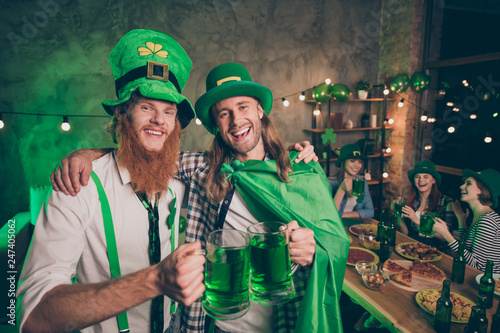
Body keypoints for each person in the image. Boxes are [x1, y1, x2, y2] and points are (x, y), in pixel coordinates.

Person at [52, 63, 349, 332]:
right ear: (216, 126)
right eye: (224, 113)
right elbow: (145, 153)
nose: (236, 120)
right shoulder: (203, 169)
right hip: (216, 323)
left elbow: (333, 244)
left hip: (285, 320)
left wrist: (311, 253)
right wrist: (86, 155)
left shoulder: (299, 170)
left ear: (260, 111)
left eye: (243, 107)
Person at [16, 29, 207, 333]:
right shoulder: (77, 185)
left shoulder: (183, 178)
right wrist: (155, 280)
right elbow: (35, 317)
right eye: (146, 107)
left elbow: (242, 166)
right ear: (122, 113)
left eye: (168, 111)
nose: (159, 120)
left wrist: (288, 155)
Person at [434, 168, 500, 273]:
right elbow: (466, 248)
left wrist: (446, 234)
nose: (461, 186)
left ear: (482, 190)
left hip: (483, 284)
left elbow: (477, 266)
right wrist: (461, 221)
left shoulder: (488, 221)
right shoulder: (480, 216)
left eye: (468, 183)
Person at [399, 160, 456, 249]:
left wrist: (417, 221)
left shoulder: (446, 202)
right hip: (412, 248)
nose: (421, 180)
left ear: (433, 180)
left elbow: (445, 238)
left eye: (425, 176)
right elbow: (406, 234)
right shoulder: (412, 201)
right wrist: (398, 214)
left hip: (435, 252)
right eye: (417, 177)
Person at [329, 143, 374, 219]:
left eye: (360, 162)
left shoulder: (361, 181)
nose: (357, 165)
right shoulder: (330, 182)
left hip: (354, 225)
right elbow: (331, 215)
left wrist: (342, 215)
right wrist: (341, 189)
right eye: (352, 161)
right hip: (335, 226)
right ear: (343, 162)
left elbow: (370, 212)